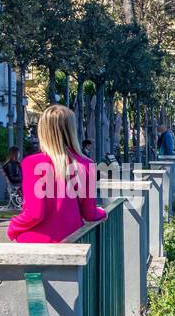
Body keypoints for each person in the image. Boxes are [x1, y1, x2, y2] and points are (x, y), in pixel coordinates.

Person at [7, 104, 106, 244]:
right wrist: (103, 212)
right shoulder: (87, 165)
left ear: (43, 130)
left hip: (36, 243)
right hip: (73, 241)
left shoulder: (32, 163)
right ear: (72, 130)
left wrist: (13, 227)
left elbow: (34, 214)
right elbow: (90, 214)